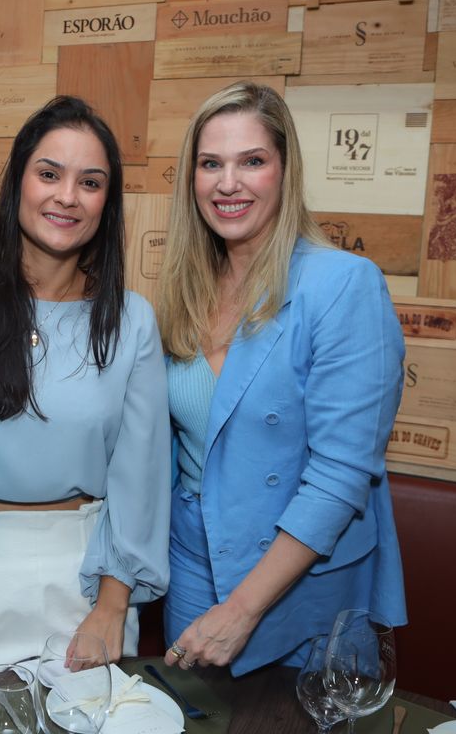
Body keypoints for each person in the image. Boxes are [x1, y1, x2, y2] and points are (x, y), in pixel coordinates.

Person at [156, 81, 406, 676]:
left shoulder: (343, 284)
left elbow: (341, 475)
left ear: (285, 172)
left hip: (299, 577)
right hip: (193, 559)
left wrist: (243, 609)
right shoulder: (183, 291)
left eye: (253, 162)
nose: (227, 183)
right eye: (210, 163)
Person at [0, 96, 171, 682]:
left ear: (106, 204)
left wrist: (112, 606)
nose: (67, 196)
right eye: (49, 174)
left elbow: (138, 478)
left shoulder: (131, 321)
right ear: (17, 181)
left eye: (90, 183)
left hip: (83, 583)